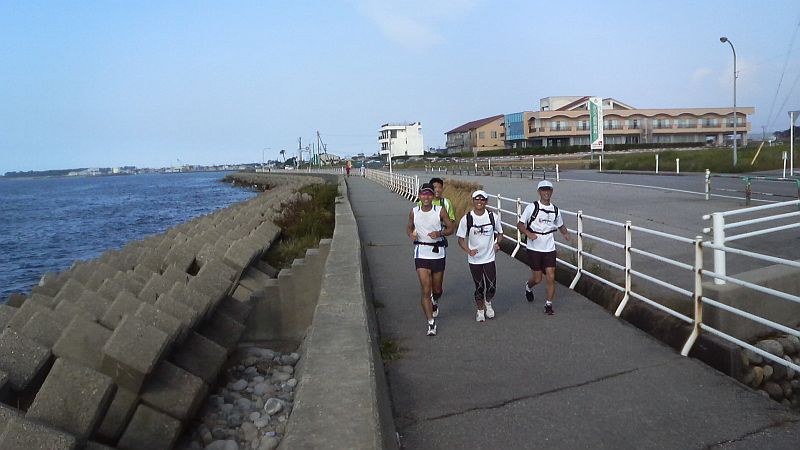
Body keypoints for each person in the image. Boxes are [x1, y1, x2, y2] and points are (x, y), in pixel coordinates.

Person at [517, 180, 570, 315]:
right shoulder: (532, 207)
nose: (546, 192)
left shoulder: (555, 210)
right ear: (539, 192)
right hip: (534, 247)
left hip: (549, 247)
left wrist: (565, 234)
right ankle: (528, 286)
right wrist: (529, 233)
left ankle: (548, 304)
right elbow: (520, 224)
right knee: (538, 279)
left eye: (548, 190)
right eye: (543, 190)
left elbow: (560, 225)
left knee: (551, 276)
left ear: (552, 191)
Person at [407, 183, 455, 336]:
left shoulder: (439, 210)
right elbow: (409, 227)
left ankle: (435, 300)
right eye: (423, 194)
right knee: (426, 290)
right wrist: (411, 234)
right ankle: (431, 323)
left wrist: (440, 233)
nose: (426, 197)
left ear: (433, 196)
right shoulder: (414, 211)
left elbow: (451, 228)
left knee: (437, 289)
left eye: (428, 194)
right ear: (419, 196)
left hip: (438, 252)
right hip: (421, 252)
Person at [457, 190, 503, 322]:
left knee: (492, 287)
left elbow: (500, 233)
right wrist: (468, 250)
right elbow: (460, 239)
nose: (479, 202)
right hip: (474, 259)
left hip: (489, 257)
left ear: (486, 201)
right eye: (477, 199)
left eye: (482, 199)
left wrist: (497, 243)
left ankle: (488, 302)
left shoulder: (493, 217)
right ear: (473, 201)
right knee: (479, 286)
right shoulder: (467, 219)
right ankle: (480, 310)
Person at [416, 177, 456, 317]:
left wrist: (441, 231)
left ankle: (435, 296)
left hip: (439, 244)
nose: (437, 189)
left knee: (437, 287)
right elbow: (415, 222)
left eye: (439, 187)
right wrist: (414, 233)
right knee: (426, 282)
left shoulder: (446, 203)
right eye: (434, 187)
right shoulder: (420, 204)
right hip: (422, 247)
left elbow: (451, 223)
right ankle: (429, 298)